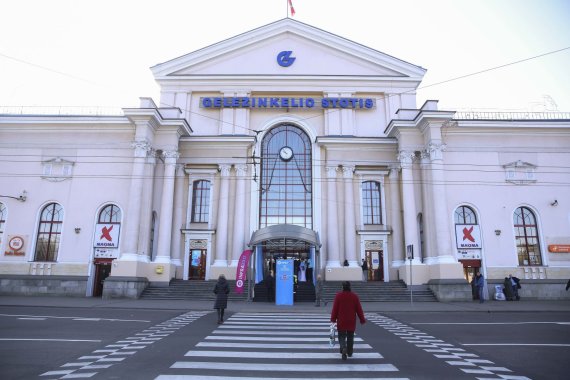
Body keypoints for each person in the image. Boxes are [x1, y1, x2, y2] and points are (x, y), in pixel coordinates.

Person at [330, 281, 366, 360]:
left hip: (341, 320)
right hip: (351, 320)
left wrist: (333, 319)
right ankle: (349, 352)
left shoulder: (338, 296)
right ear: (350, 287)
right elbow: (359, 309)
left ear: (342, 287)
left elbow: (335, 309)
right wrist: (362, 319)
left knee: (341, 336)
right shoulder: (354, 296)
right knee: (350, 336)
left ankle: (343, 348)